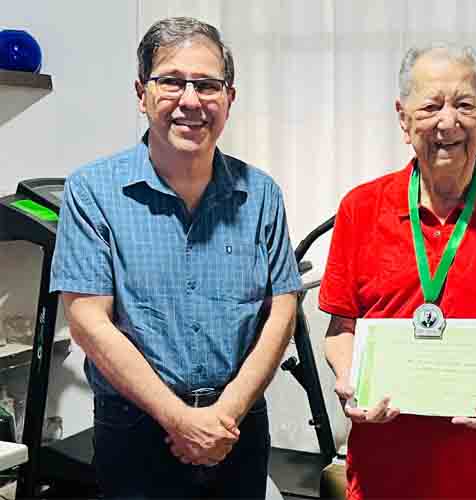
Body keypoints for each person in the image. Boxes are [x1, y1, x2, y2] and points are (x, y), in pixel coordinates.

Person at [50, 17, 301, 498]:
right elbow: (88, 320)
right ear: (142, 92)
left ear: (229, 97)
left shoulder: (261, 193)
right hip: (134, 431)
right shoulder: (93, 191)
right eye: (171, 81)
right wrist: (180, 420)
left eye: (207, 84)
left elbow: (281, 310)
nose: (191, 100)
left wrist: (223, 416)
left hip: (239, 428)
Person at [319, 43, 476, 499]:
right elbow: (340, 330)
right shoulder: (360, 208)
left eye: (465, 105)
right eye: (431, 106)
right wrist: (347, 377)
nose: (448, 122)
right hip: (384, 472)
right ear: (402, 117)